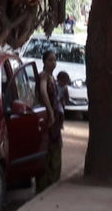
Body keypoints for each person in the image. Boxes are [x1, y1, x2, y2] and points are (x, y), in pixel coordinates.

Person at [36, 50, 64, 191]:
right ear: (44, 62)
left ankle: (53, 183)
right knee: (47, 151)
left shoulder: (52, 78)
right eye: (50, 60)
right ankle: (44, 186)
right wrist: (51, 112)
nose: (53, 63)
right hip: (48, 120)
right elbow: (43, 92)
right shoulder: (44, 77)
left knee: (56, 149)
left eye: (55, 60)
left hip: (56, 122)